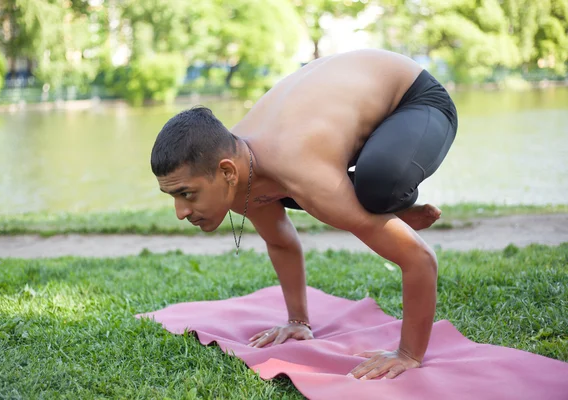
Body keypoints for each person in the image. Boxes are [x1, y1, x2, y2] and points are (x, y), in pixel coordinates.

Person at [150, 49, 458, 380]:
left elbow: (419, 260)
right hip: (330, 125)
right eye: (173, 196)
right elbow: (281, 242)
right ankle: (379, 213)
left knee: (375, 185)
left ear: (227, 173)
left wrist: (408, 354)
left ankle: (389, 204)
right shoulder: (233, 166)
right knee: (316, 193)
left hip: (414, 98)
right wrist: (297, 322)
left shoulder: (298, 170)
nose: (180, 212)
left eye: (186, 194)